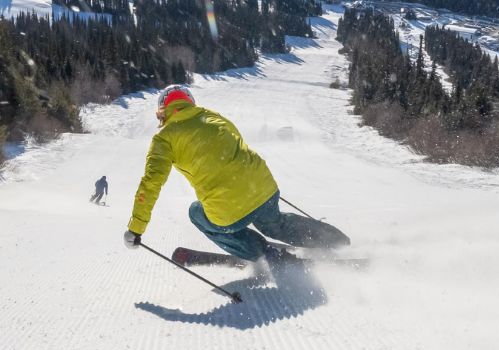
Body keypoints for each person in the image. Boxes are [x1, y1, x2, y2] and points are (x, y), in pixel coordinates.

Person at [123, 85, 347, 264]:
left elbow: (150, 184)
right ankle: (336, 240)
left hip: (228, 208)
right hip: (261, 186)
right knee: (275, 224)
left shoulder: (164, 138)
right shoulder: (212, 116)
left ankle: (264, 254)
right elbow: (237, 144)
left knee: (196, 212)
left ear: (162, 111)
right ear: (189, 102)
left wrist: (136, 229)